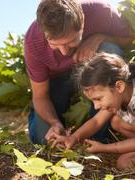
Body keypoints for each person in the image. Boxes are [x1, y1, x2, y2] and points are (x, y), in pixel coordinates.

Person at [24, 0, 133, 144]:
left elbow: (130, 37)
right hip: (57, 82)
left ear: (82, 23)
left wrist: (99, 38)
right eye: (55, 44)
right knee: (43, 139)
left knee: (110, 48)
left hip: (93, 72)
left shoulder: (100, 11)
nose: (64, 52)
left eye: (71, 41)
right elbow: (40, 96)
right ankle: (59, 122)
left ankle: (99, 135)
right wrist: (54, 123)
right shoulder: (33, 42)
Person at [52, 52, 135, 170]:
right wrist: (74, 138)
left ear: (119, 87)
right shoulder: (121, 95)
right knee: (116, 121)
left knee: (124, 163)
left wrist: (104, 148)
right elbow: (96, 121)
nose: (96, 106)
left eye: (98, 99)